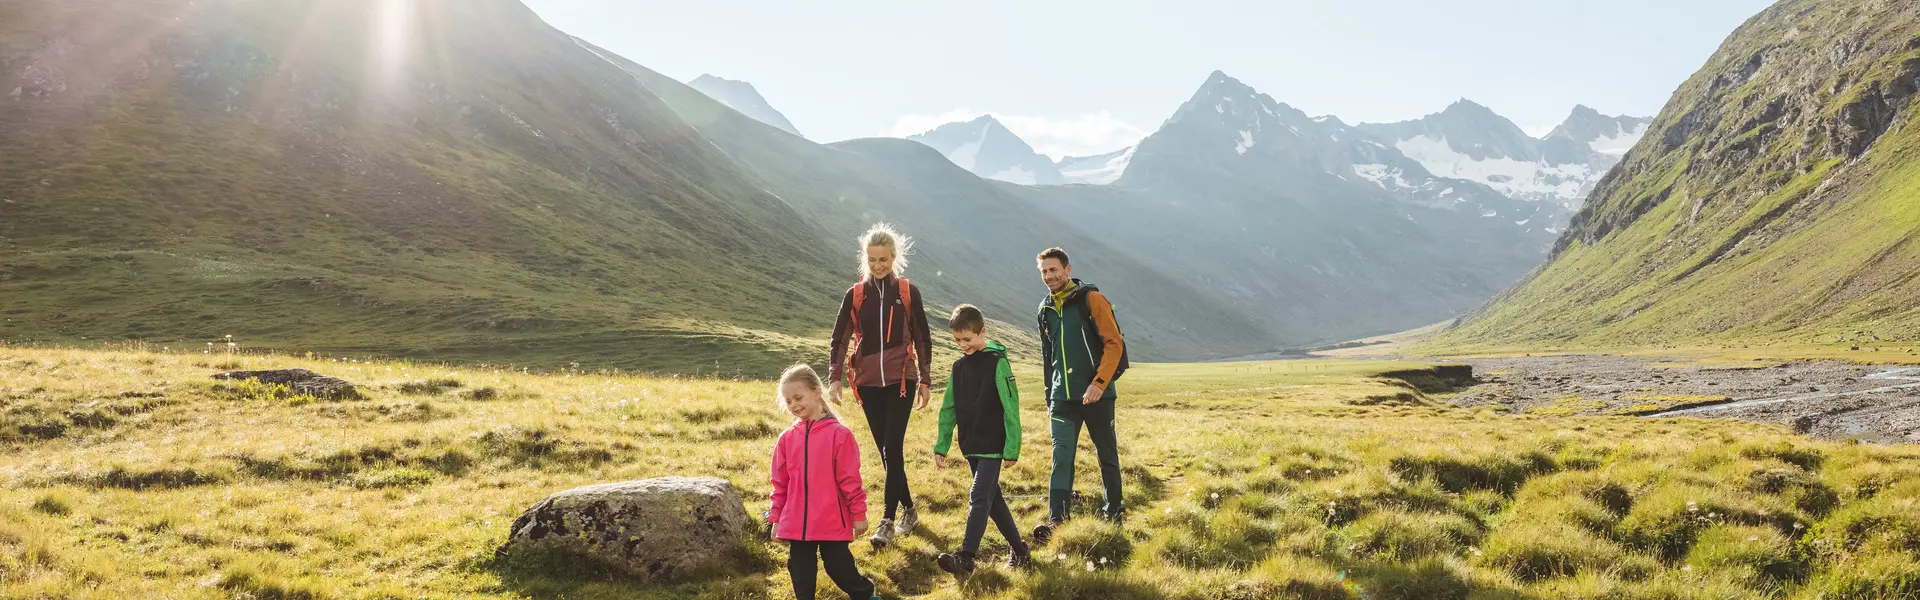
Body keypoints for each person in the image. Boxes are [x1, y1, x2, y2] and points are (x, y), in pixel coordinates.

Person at [827, 223, 933, 548]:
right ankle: (910, 510)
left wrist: (926, 379)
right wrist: (834, 379)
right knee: (887, 454)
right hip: (869, 382)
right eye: (872, 260)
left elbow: (922, 336)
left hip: (903, 379)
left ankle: (887, 520)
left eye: (883, 260)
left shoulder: (907, 292)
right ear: (865, 258)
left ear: (894, 257)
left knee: (893, 446)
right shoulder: (856, 295)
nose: (878, 266)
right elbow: (840, 337)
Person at [1031, 247, 1127, 546]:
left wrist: (1099, 383)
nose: (1049, 276)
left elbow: (1114, 344)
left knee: (1106, 455)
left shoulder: (1091, 300)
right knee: (1061, 458)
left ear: (1067, 269)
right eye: (1044, 271)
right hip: (1062, 397)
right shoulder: (1044, 309)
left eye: (1054, 270)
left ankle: (1114, 512)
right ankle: (1057, 520)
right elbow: (1049, 358)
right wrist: (1050, 395)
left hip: (1097, 394)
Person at [931, 305, 1033, 574]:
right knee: (992, 500)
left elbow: (1011, 406)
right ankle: (1021, 552)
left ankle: (966, 557)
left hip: (993, 443)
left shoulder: (997, 363)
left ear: (982, 333)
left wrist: (1012, 447)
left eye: (968, 339)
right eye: (958, 340)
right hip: (970, 443)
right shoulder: (958, 367)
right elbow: (948, 408)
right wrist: (942, 444)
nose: (963, 345)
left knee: (978, 496)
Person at [768, 364, 884, 600]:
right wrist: (776, 519)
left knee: (839, 568)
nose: (793, 405)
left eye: (798, 397)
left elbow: (850, 480)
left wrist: (858, 514)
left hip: (832, 519)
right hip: (797, 523)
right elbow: (780, 485)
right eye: (788, 401)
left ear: (816, 392)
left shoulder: (839, 435)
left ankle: (867, 595)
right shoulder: (786, 439)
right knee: (800, 573)